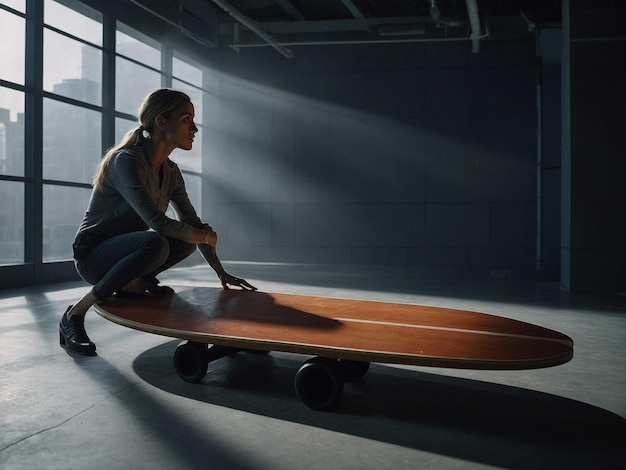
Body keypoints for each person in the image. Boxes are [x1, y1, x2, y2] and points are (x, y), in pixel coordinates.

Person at [60, 88, 256, 356]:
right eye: (186, 119)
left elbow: (193, 224)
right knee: (159, 241)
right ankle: (74, 314)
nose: (195, 128)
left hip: (129, 253)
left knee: (184, 239)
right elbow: (159, 223)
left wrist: (220, 271)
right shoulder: (126, 161)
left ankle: (133, 284)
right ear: (161, 122)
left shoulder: (171, 171)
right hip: (94, 258)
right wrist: (201, 235)